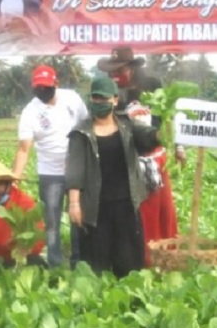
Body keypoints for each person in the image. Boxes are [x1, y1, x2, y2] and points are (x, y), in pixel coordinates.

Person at [66, 76, 162, 278]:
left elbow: (148, 136)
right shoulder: (80, 133)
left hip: (126, 203)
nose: (99, 102)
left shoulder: (127, 125)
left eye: (104, 99)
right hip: (95, 206)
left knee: (128, 261)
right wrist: (74, 204)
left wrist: (162, 134)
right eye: (96, 98)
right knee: (96, 263)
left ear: (115, 100)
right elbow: (75, 170)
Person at [12, 65, 88, 268]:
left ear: (56, 84)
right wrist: (15, 178)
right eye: (38, 87)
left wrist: (81, 158)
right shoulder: (30, 112)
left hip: (76, 169)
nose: (42, 91)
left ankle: (78, 261)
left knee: (78, 217)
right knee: (52, 221)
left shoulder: (72, 99)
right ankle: (55, 264)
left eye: (46, 87)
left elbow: (86, 126)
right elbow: (24, 149)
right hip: (49, 173)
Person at [125, 101, 178, 266]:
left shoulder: (156, 111)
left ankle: (166, 255)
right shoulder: (126, 114)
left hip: (158, 165)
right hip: (139, 168)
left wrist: (178, 148)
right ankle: (147, 257)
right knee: (146, 217)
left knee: (164, 212)